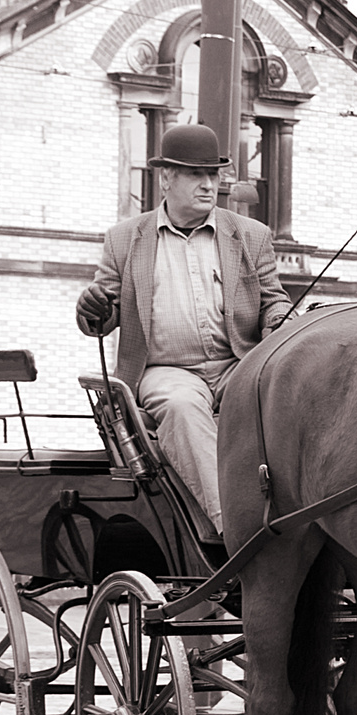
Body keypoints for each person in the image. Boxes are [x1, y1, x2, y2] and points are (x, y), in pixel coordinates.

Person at [76, 123, 291, 535]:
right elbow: (101, 317)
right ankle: (238, 528)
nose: (210, 184)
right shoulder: (125, 240)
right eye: (197, 174)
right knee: (180, 406)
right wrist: (92, 308)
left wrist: (280, 320)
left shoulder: (251, 235)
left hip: (236, 365)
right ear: (167, 178)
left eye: (214, 174)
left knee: (290, 396)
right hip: (166, 371)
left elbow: (272, 300)